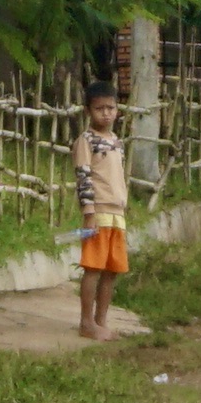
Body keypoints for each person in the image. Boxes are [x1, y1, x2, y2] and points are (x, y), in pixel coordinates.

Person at [70, 90, 135, 340]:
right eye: (100, 108)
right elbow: (84, 177)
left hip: (117, 214)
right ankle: (86, 323)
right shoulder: (86, 141)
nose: (106, 113)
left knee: (111, 269)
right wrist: (89, 212)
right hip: (99, 212)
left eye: (111, 108)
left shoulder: (116, 141)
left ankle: (101, 321)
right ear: (88, 110)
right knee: (93, 268)